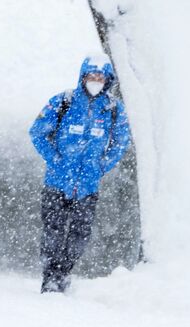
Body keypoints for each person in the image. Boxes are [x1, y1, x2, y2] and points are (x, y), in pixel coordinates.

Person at [30, 54, 131, 293]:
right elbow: (37, 132)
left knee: (79, 235)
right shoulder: (62, 101)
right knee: (52, 232)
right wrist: (55, 159)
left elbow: (120, 142)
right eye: (91, 76)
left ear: (107, 80)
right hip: (56, 182)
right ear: (82, 76)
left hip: (88, 187)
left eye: (100, 77)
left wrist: (102, 166)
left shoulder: (113, 109)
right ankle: (50, 277)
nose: (95, 80)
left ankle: (64, 273)